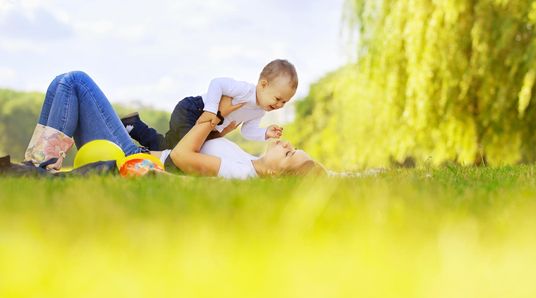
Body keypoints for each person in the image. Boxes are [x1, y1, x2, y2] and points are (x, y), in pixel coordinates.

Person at [22, 71, 325, 179]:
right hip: (139, 152)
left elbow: (181, 157)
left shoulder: (242, 173)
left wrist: (214, 117)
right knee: (67, 82)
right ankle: (37, 165)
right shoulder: (248, 161)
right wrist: (220, 127)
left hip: (132, 159)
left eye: (288, 154)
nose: (287, 144)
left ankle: (39, 167)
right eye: (293, 148)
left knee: (74, 82)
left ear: (274, 175)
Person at [123, 59, 298, 151]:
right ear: (263, 85)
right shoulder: (245, 90)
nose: (280, 105)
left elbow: (247, 131)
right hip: (193, 110)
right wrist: (210, 110)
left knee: (168, 148)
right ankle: (136, 133)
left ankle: (134, 126)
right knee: (184, 152)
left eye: (285, 102)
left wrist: (265, 133)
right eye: (277, 99)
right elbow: (217, 83)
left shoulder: (259, 112)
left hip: (206, 125)